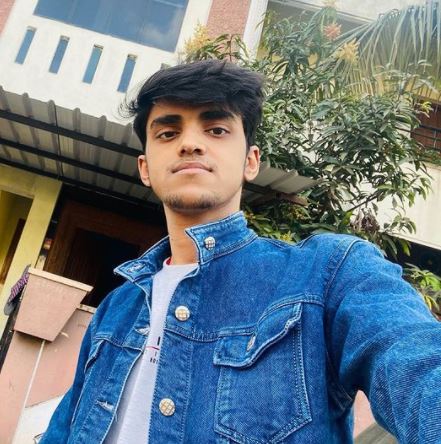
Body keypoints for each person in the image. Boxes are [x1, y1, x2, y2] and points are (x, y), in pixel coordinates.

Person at [40, 60, 441, 444]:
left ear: (251, 161)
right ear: (145, 168)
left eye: (216, 129)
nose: (190, 144)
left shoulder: (329, 274)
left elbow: (417, 363)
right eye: (168, 133)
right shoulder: (116, 309)